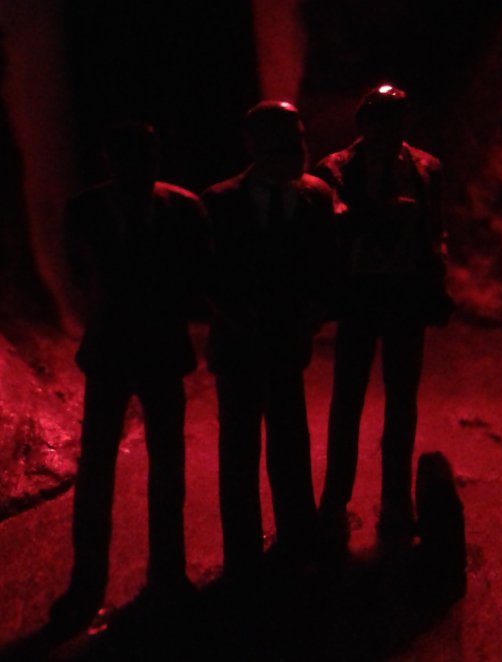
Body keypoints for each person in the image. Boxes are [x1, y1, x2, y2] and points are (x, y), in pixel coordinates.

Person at [50, 122, 208, 632]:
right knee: (102, 467)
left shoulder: (181, 208)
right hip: (117, 349)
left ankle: (163, 575)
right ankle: (91, 582)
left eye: (146, 156)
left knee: (160, 467)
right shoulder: (92, 208)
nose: (141, 167)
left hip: (147, 348)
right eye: (131, 158)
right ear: (111, 161)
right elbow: (82, 275)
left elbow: (194, 274)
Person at [315, 84, 452, 549]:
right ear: (364, 123)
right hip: (359, 296)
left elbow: (435, 230)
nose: (391, 130)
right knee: (347, 400)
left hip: (404, 295)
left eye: (398, 120)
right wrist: (379, 216)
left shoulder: (425, 167)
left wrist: (436, 279)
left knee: (401, 401)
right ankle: (335, 502)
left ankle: (395, 501)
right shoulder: (336, 168)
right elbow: (332, 222)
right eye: (381, 120)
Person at [203, 101, 335, 584]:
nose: (298, 152)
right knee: (239, 449)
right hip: (240, 345)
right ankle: (243, 554)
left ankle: (297, 538)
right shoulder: (218, 202)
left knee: (291, 442)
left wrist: (315, 313)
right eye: (285, 144)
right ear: (255, 147)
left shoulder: (316, 196)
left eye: (299, 141)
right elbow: (206, 275)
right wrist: (238, 316)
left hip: (286, 342)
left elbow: (325, 264)